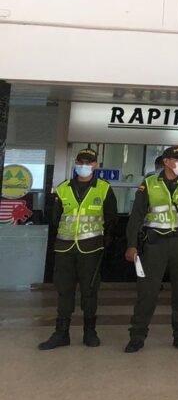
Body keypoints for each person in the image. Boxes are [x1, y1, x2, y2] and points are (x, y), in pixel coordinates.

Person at [124, 147, 178, 353]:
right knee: (147, 292)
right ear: (167, 161)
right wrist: (131, 244)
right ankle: (137, 336)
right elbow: (136, 217)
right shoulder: (149, 184)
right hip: (154, 244)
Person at [38, 148, 119, 350]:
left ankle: (89, 332)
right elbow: (56, 218)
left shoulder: (104, 188)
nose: (84, 165)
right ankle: (61, 333)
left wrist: (104, 240)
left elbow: (111, 218)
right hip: (65, 247)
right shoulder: (63, 188)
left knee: (89, 291)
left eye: (89, 162)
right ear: (76, 163)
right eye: (81, 161)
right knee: (64, 290)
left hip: (91, 249)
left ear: (96, 165)